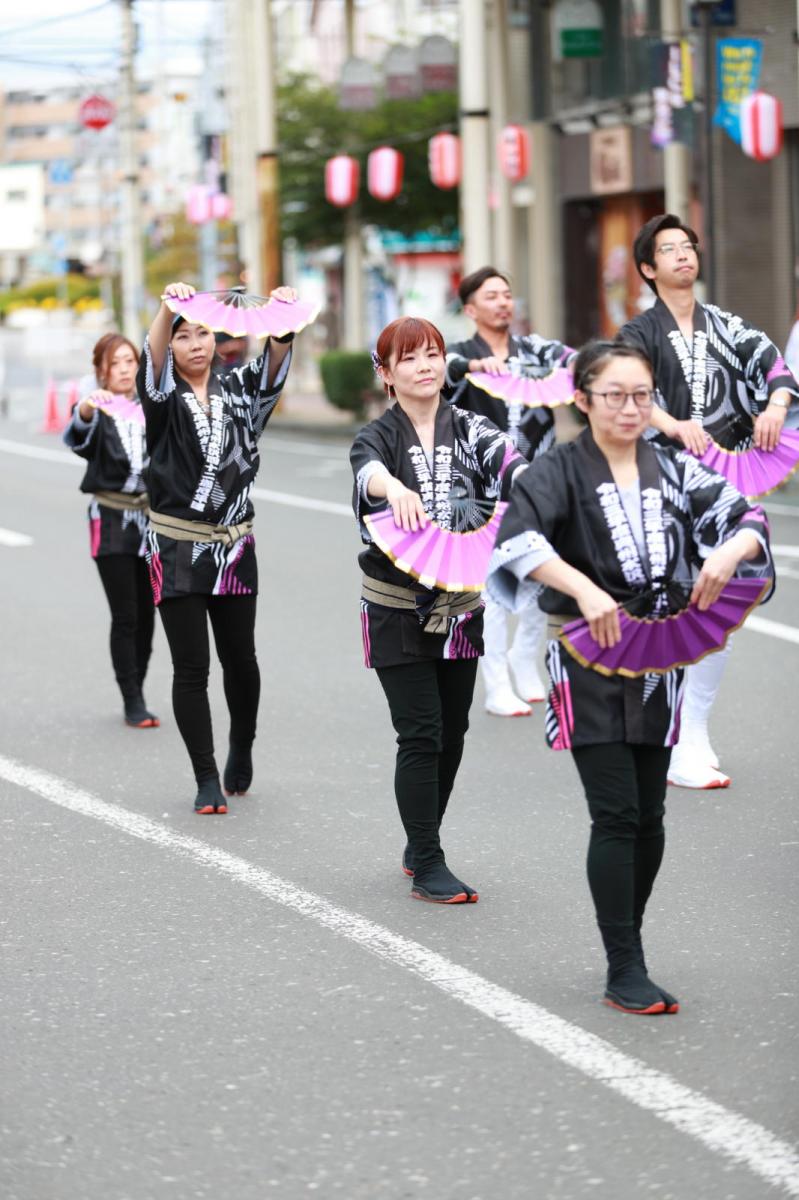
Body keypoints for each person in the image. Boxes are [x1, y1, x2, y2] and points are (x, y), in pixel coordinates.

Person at [487, 340, 773, 1014]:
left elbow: (746, 516)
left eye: (641, 395)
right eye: (613, 395)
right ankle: (624, 964)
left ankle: (629, 939)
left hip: (659, 652)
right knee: (615, 813)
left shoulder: (674, 466)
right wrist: (581, 588)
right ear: (581, 399)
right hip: (584, 654)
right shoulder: (552, 471)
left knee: (650, 816)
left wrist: (730, 549)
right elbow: (518, 543)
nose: (628, 408)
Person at [350, 316, 526, 904]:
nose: (425, 366)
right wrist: (392, 488)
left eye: (432, 354)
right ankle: (428, 858)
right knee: (421, 734)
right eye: (409, 358)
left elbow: (509, 461)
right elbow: (368, 472)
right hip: (397, 609)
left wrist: (540, 483)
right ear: (387, 374)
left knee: (453, 733)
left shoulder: (472, 426)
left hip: (460, 607)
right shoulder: (376, 437)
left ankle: (418, 837)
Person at [618, 214, 796, 789]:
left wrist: (774, 405)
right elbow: (618, 389)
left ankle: (693, 730)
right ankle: (671, 735)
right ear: (649, 268)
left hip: (725, 487)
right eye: (668, 250)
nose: (682, 255)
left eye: (687, 246)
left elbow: (776, 368)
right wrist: (668, 422)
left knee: (720, 605)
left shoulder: (728, 325)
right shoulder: (639, 332)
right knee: (672, 605)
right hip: (662, 483)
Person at [137, 280, 295, 815]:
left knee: (241, 660)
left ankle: (241, 747)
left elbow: (273, 366)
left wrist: (283, 317)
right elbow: (152, 357)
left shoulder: (239, 389)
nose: (195, 344)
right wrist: (167, 308)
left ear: (217, 337)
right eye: (184, 337)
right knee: (191, 668)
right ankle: (205, 776)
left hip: (233, 547)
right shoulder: (161, 399)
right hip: (176, 546)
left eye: (202, 332)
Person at [445, 267, 574, 717]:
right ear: (471, 309)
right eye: (491, 296)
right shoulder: (459, 356)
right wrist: (473, 367)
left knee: (541, 575)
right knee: (493, 589)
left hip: (542, 483)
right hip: (482, 490)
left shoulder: (536, 351)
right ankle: (496, 679)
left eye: (507, 294)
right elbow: (438, 369)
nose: (503, 302)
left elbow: (581, 362)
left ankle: (525, 658)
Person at [64, 333, 158, 728]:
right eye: (115, 363)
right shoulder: (96, 408)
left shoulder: (152, 408)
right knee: (126, 614)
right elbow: (77, 435)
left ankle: (138, 684)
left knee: (149, 615)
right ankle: (132, 700)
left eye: (129, 361)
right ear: (101, 370)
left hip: (151, 522)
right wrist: (86, 408)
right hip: (112, 519)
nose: (123, 369)